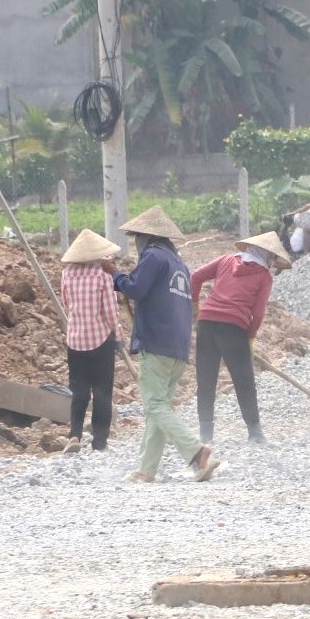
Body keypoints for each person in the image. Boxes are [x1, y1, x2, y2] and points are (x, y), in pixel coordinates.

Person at [108, 206, 219, 483]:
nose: (136, 243)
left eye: (137, 238)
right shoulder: (178, 264)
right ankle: (146, 471)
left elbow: (134, 289)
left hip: (156, 343)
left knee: (155, 406)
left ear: (146, 237)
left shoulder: (154, 258)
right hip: (178, 348)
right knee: (159, 408)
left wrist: (115, 274)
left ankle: (197, 451)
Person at [191, 231, 292, 445]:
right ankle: (255, 433)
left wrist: (194, 306)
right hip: (234, 327)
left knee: (206, 379)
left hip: (207, 322)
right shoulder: (264, 277)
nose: (272, 262)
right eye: (272, 258)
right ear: (267, 255)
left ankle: (205, 435)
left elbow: (195, 277)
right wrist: (250, 336)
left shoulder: (226, 260)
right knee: (244, 379)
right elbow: (258, 313)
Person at [59, 228, 123, 454]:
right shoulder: (103, 275)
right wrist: (118, 336)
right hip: (100, 339)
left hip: (75, 339)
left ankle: (74, 435)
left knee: (79, 391)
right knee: (102, 391)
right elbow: (110, 311)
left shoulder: (67, 273)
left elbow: (67, 302)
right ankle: (99, 442)